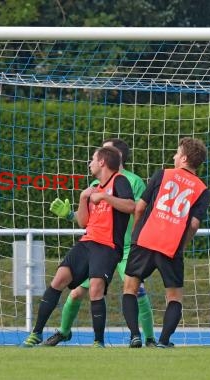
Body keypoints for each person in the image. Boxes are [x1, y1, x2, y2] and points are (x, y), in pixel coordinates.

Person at [30, 138, 156, 347]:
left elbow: (137, 210)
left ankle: (147, 337)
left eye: (103, 152)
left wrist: (137, 244)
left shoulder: (132, 181)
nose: (95, 158)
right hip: (97, 244)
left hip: (125, 248)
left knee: (135, 289)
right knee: (77, 291)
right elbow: (90, 219)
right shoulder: (94, 184)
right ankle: (63, 331)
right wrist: (71, 214)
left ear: (114, 157)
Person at [122, 137, 210, 348]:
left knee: (130, 288)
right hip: (171, 247)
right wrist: (182, 244)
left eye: (177, 153)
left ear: (185, 158)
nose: (174, 156)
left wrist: (136, 234)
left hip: (145, 240)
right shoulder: (202, 189)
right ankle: (163, 341)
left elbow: (140, 207)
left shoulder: (163, 174)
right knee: (174, 297)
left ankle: (135, 336)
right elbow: (194, 225)